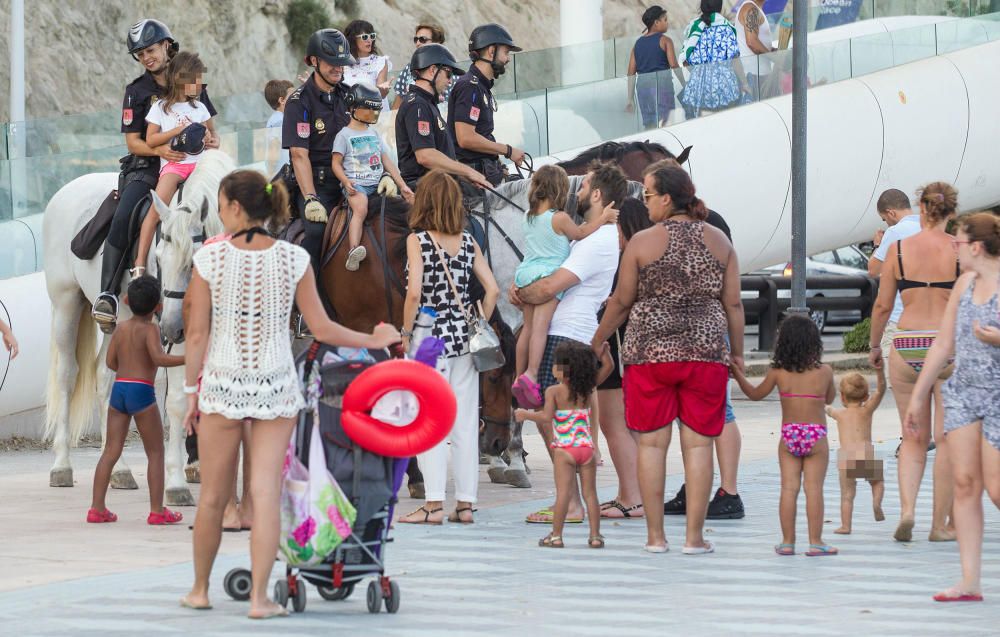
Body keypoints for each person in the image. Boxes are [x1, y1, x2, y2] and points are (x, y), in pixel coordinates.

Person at [180, 171, 399, 617]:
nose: (220, 215)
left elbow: (197, 335)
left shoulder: (209, 260)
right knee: (264, 493)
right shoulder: (294, 259)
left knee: (212, 498)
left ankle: (200, 590)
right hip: (277, 386)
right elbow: (322, 328)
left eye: (222, 207)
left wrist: (190, 394)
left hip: (221, 384)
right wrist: (374, 342)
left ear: (236, 209)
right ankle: (260, 600)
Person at [590, 161, 743, 554]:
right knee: (698, 446)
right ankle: (694, 538)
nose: (645, 202)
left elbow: (622, 301)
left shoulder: (642, 242)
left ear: (667, 198)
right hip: (705, 353)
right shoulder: (719, 242)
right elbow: (734, 305)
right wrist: (737, 354)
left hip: (650, 354)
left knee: (652, 446)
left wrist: (598, 339)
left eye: (648, 195)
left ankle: (656, 538)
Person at [513, 162, 627, 525]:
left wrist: (523, 293)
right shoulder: (591, 234)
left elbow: (548, 287)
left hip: (566, 333)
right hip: (561, 330)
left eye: (584, 186)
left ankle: (572, 501)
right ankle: (572, 498)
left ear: (597, 194)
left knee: (557, 420)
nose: (577, 192)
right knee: (559, 418)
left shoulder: (597, 237)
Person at [93, 19, 219, 333]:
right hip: (148, 167)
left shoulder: (192, 80)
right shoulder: (136, 91)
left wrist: (212, 144)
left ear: (166, 45)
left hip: (194, 164)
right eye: (139, 54)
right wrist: (161, 152)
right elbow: (134, 142)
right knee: (123, 216)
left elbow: (210, 129)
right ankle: (107, 292)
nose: (146, 57)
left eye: (150, 49)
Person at [903, 212, 1000, 603]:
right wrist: (917, 396)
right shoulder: (963, 283)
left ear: (975, 246)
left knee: (996, 490)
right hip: (961, 392)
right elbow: (944, 343)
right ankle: (969, 581)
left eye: (957, 243)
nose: (953, 249)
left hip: (997, 392)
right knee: (965, 485)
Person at [398, 170, 500, 526]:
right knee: (465, 422)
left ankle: (433, 504)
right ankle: (467, 504)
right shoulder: (468, 241)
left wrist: (406, 332)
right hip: (463, 342)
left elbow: (414, 293)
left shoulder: (419, 240)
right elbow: (492, 290)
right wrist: (479, 322)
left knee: (430, 421)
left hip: (429, 340)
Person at [868, 182, 960, 543]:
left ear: (920, 209)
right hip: (947, 346)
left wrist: (875, 345)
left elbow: (883, 306)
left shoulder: (900, 249)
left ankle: (907, 511)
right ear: (951, 213)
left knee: (912, 435)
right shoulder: (958, 251)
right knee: (947, 438)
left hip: (906, 344)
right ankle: (940, 525)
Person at [511, 165, 618, 409]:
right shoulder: (559, 218)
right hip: (546, 274)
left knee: (527, 329)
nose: (577, 191)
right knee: (539, 327)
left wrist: (521, 290)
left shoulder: (529, 218)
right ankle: (531, 373)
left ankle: (518, 376)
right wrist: (603, 219)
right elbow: (580, 233)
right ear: (559, 190)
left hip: (526, 272)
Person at [731, 315, 838, 556]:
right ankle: (816, 541)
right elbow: (830, 399)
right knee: (814, 489)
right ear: (815, 343)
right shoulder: (825, 371)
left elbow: (755, 395)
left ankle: (787, 542)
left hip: (789, 435)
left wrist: (737, 373)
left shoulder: (778, 372)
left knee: (788, 489)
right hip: (816, 435)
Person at [88, 276, 185, 525]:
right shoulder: (151, 329)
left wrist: (127, 365)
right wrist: (189, 358)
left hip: (120, 389)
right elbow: (159, 358)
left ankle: (97, 508)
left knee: (111, 450)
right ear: (159, 306)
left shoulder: (120, 328)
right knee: (155, 452)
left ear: (126, 301)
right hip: (142, 391)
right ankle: (157, 511)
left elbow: (110, 362)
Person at [515, 341, 613, 549]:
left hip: (564, 449)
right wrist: (605, 354)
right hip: (586, 448)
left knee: (563, 495)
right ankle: (595, 536)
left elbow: (545, 417)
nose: (552, 368)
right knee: (591, 494)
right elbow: (609, 368)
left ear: (563, 369)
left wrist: (525, 415)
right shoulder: (587, 389)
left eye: (555, 364)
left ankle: (556, 536)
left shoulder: (554, 391)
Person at [282, 28, 356, 275]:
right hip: (318, 183)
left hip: (353, 177)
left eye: (342, 63)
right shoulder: (299, 102)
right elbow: (299, 155)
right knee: (315, 232)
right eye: (332, 63)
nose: (338, 68)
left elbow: (366, 137)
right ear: (314, 61)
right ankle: (306, 305)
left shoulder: (349, 95)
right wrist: (311, 198)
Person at [133, 51, 215, 273]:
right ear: (180, 80)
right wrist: (179, 130)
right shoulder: (160, 108)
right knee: (156, 210)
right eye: (195, 79)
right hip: (176, 166)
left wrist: (210, 140)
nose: (199, 84)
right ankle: (140, 262)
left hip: (201, 165)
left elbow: (214, 138)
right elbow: (150, 139)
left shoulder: (200, 108)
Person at [596, 198, 652, 519]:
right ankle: (633, 493)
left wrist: (597, 338)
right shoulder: (654, 253)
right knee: (634, 427)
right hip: (644, 350)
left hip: (617, 347)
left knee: (612, 422)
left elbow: (620, 302)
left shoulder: (629, 256)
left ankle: (631, 497)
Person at [331, 82, 413, 271]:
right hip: (356, 184)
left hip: (377, 184)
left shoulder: (374, 133)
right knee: (360, 208)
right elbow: (335, 163)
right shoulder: (343, 135)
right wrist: (345, 181)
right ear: (352, 108)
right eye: (368, 109)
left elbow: (387, 161)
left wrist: (402, 186)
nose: (372, 114)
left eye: (374, 110)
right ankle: (353, 250)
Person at [394, 44, 490, 188]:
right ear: (432, 70)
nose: (450, 81)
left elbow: (442, 155)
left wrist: (464, 175)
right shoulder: (417, 105)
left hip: (439, 188)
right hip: (428, 193)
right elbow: (426, 156)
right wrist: (468, 171)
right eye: (448, 74)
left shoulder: (426, 103)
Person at [448, 23, 526, 186]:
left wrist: (498, 163)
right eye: (505, 52)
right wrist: (507, 150)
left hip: (485, 172)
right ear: (491, 51)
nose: (507, 58)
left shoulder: (479, 86)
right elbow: (466, 138)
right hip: (473, 182)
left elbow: (481, 135)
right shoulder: (470, 86)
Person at [826, 367, 887, 534]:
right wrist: (880, 371)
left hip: (846, 455)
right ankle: (876, 502)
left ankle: (846, 526)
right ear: (866, 396)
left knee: (847, 494)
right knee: (877, 482)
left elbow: (827, 408)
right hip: (866, 451)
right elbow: (881, 389)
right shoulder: (867, 410)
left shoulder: (839, 414)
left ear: (842, 397)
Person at [867, 188, 921, 362]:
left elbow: (873, 270)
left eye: (885, 219)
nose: (886, 223)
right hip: (930, 322)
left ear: (891, 212)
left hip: (900, 320)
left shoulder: (895, 232)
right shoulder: (928, 227)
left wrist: (877, 245)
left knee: (901, 387)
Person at [678, 0, 749, 118]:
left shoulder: (694, 27)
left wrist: (700, 71)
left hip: (698, 90)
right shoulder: (727, 28)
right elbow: (735, 60)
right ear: (720, 7)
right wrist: (745, 83)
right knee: (725, 122)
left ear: (702, 7)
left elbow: (685, 60)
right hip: (725, 88)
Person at [626, 6, 682, 129]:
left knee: (650, 125)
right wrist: (684, 83)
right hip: (662, 88)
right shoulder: (665, 41)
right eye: (665, 20)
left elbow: (631, 73)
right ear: (656, 23)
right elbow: (673, 64)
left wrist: (630, 99)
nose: (667, 23)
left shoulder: (638, 44)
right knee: (666, 123)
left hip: (643, 89)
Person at [391, 23, 456, 109]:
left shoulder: (448, 69)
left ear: (437, 43)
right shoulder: (409, 68)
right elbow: (398, 102)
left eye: (423, 39)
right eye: (416, 39)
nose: (418, 43)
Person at [342, 20, 392, 112]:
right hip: (346, 116)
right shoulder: (341, 63)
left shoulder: (380, 62)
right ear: (352, 39)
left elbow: (381, 94)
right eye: (365, 37)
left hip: (373, 115)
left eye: (372, 36)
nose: (369, 40)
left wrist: (383, 91)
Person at [734, 0, 776, 100]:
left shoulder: (754, 8)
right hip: (754, 75)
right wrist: (776, 58)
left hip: (757, 75)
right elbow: (752, 42)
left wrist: (772, 50)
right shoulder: (750, 9)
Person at [263, 79, 295, 178]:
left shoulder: (279, 119)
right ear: (282, 100)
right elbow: (274, 147)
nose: (296, 99)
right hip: (280, 174)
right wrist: (271, 173)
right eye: (292, 96)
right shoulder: (279, 121)